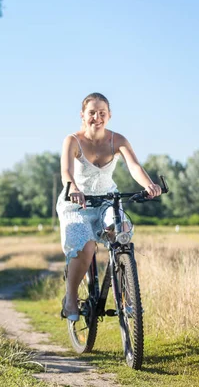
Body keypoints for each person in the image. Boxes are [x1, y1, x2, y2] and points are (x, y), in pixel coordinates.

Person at [57, 92, 162, 321]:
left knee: (121, 231)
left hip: (107, 200)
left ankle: (127, 295)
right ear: (82, 115)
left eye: (102, 113)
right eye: (92, 112)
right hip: (77, 203)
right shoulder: (73, 140)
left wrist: (149, 185)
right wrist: (73, 188)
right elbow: (66, 171)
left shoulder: (118, 140)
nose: (97, 117)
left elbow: (134, 166)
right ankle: (71, 298)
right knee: (85, 249)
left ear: (109, 115)